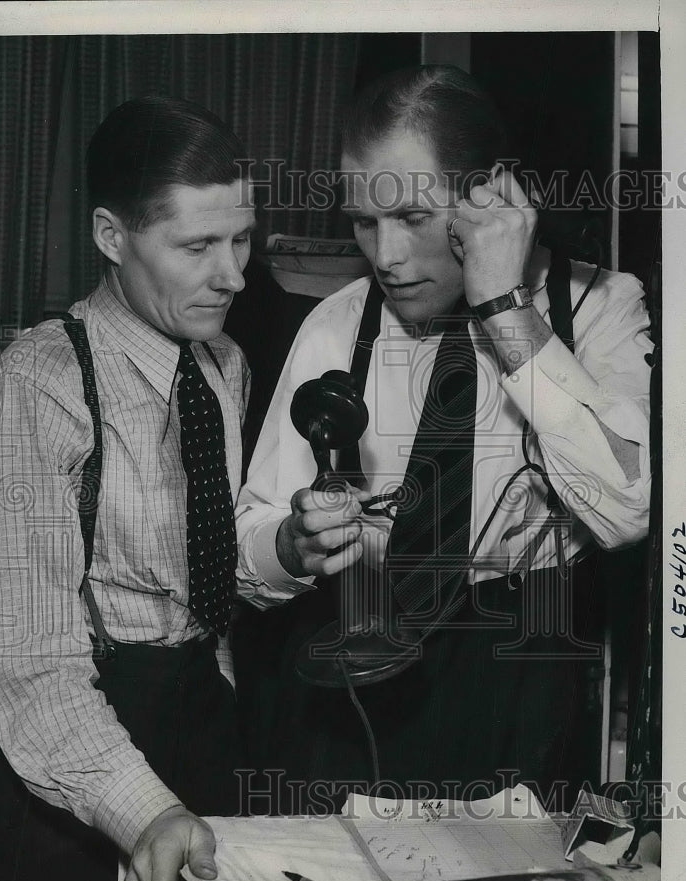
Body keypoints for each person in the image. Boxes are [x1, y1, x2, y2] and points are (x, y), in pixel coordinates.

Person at [235, 65, 652, 813]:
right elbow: (247, 550)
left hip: (511, 688)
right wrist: (294, 546)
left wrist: (503, 309)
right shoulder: (338, 324)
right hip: (350, 683)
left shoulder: (599, 309)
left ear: (491, 200)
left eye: (414, 218)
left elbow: (627, 509)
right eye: (365, 221)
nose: (385, 255)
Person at [0, 96, 254, 881]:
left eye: (241, 240)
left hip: (202, 730)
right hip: (66, 776)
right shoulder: (37, 386)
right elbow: (30, 661)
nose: (232, 275)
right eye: (196, 246)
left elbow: (208, 576)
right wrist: (144, 811)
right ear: (110, 235)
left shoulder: (224, 366)